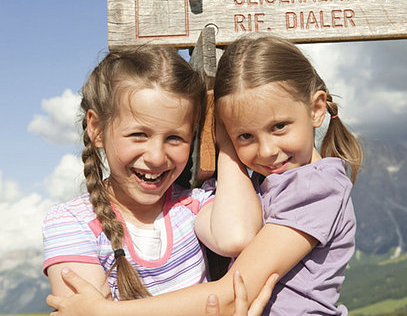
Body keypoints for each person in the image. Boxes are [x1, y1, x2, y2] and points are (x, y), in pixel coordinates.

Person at [47, 34, 362, 315]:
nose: (266, 150)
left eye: (279, 127)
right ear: (96, 129)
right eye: (245, 136)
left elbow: (231, 283)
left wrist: (107, 313)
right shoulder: (273, 183)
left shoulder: (315, 188)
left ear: (317, 109)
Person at [42, 46, 262, 300]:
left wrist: (222, 138)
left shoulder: (194, 207)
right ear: (97, 128)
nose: (157, 157)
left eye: (175, 138)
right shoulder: (73, 223)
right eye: (139, 135)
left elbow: (237, 236)